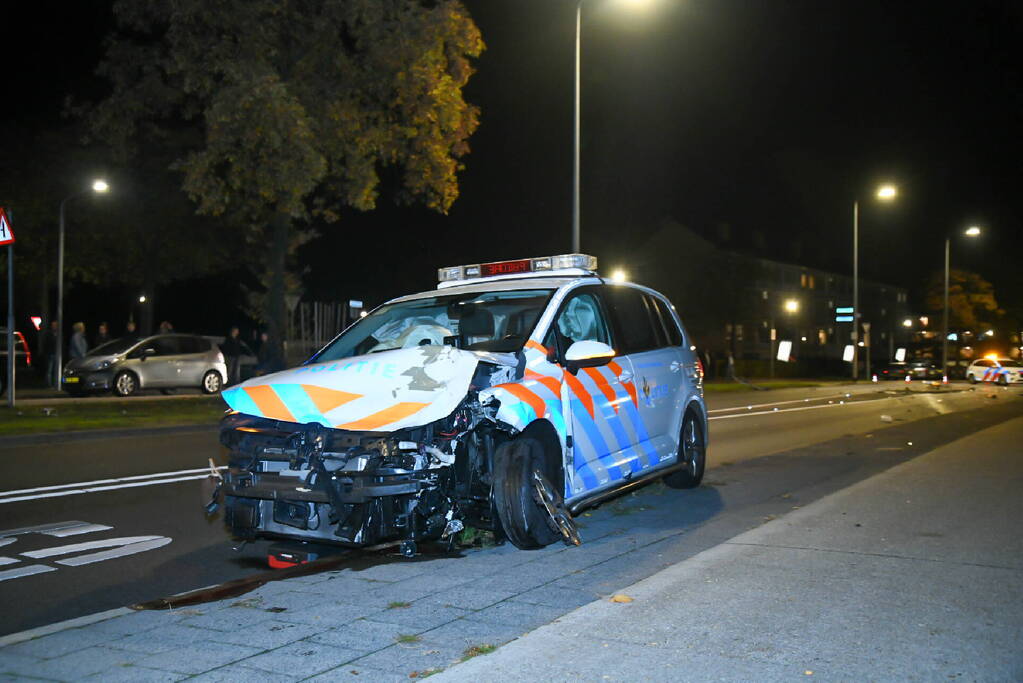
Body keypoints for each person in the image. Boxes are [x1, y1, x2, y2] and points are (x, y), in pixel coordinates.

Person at [41, 320, 59, 387]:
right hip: (50, 354)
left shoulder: (59, 334)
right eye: (53, 325)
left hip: (57, 354)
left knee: (56, 370)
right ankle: (49, 385)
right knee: (49, 370)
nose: (54, 327)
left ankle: (56, 384)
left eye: (55, 325)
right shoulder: (48, 333)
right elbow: (46, 344)